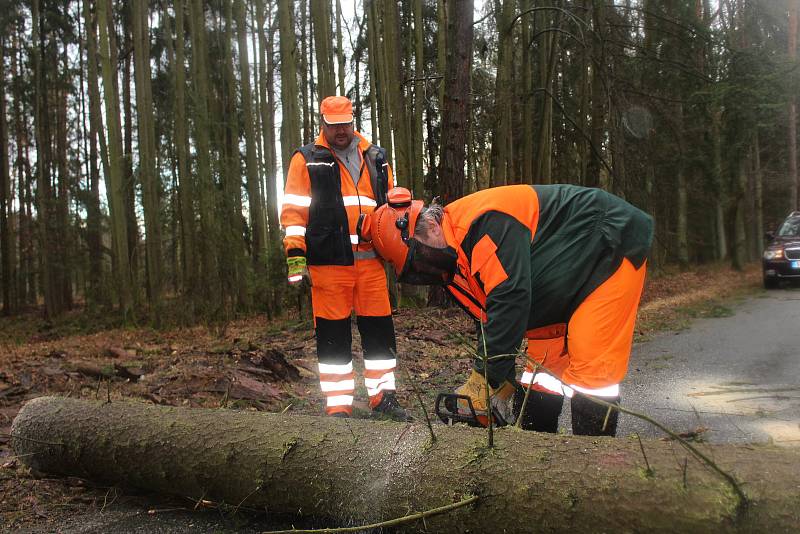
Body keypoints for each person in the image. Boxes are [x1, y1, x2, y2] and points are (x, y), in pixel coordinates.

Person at [358, 184, 653, 435]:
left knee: (592, 368)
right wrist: (501, 376)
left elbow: (509, 297)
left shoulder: (483, 223)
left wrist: (487, 375)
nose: (423, 268)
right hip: (557, 287)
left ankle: (595, 471)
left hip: (607, 247)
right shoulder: (453, 261)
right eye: (414, 266)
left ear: (432, 225)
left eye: (419, 256)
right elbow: (488, 317)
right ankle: (532, 458)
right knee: (541, 374)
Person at [280, 96, 407, 420]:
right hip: (328, 265)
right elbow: (294, 212)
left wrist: (397, 247)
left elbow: (391, 209)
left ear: (353, 121)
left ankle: (384, 396)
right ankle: (338, 405)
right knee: (333, 338)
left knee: (380, 333)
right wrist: (296, 258)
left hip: (370, 262)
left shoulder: (376, 157)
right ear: (323, 124)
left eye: (344, 124)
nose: (340, 131)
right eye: (333, 125)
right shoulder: (307, 159)